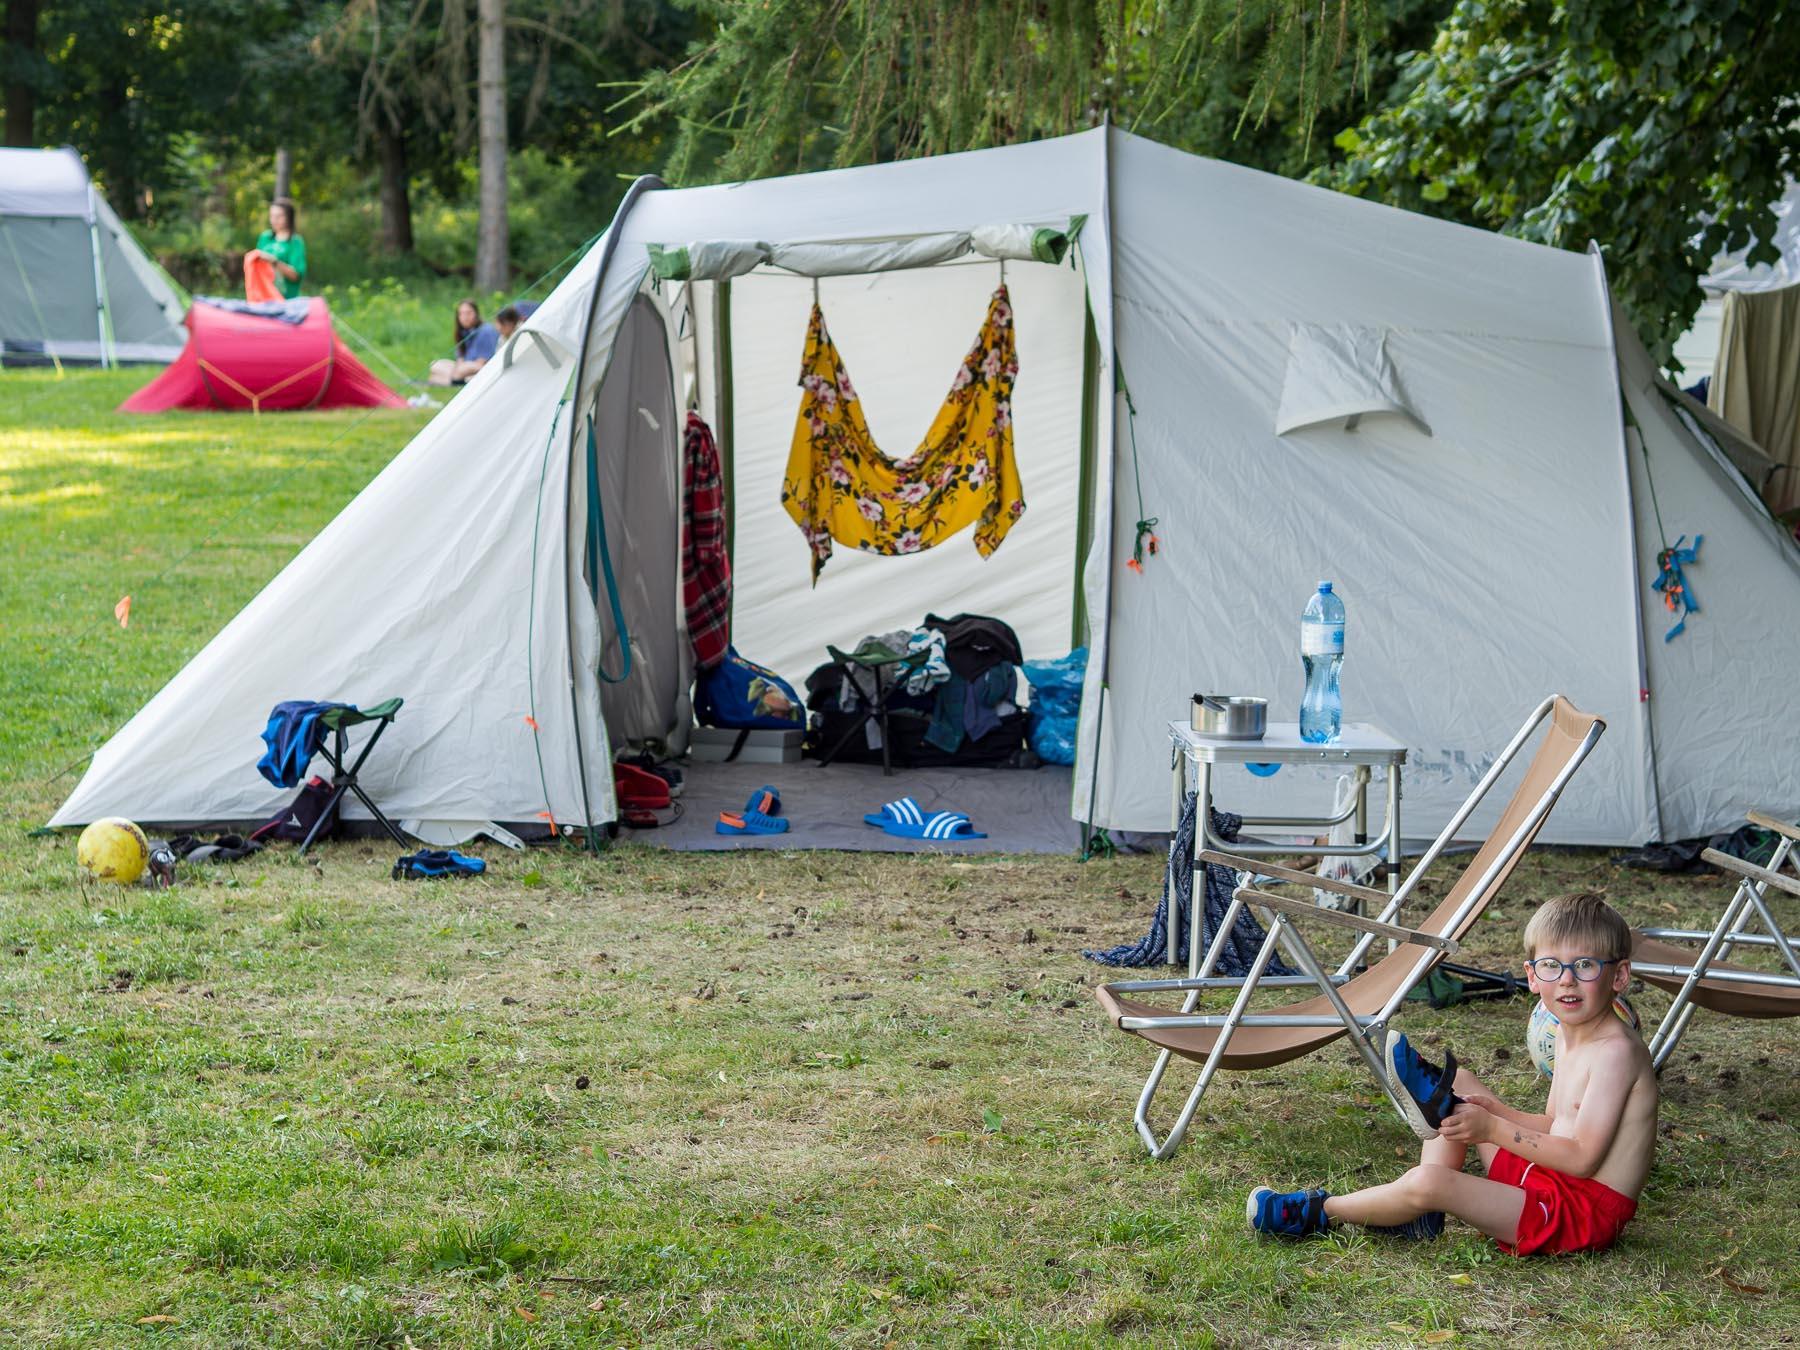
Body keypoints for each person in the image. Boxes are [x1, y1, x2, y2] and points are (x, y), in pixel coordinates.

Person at [1247, 891, 1657, 1255]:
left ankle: (1322, 1210)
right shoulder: (1570, 1035)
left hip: (1578, 1215)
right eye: (1552, 965)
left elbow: (1583, 1159)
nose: (1567, 980)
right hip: (1552, 1178)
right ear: (1533, 977)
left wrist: (1493, 1129)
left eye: (1585, 965)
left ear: (1618, 975)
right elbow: (1553, 1126)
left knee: (1431, 1182)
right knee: (1462, 1083)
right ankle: (1436, 1143)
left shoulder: (1615, 1053)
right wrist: (1492, 1114)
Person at [428, 300, 498, 386]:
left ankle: (453, 380)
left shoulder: (486, 331)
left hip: (479, 369)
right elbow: (460, 359)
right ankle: (456, 380)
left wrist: (461, 370)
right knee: (435, 365)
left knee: (465, 368)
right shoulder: (464, 331)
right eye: (461, 314)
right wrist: (458, 370)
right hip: (463, 369)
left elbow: (481, 363)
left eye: (469, 313)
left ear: (476, 314)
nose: (465, 317)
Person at [248, 198, 307, 300]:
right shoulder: (265, 237)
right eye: (272, 216)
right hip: (264, 298)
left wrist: (274, 261)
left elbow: (295, 276)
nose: (274, 220)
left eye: (279, 216)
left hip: (286, 300)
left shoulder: (295, 242)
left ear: (289, 217)